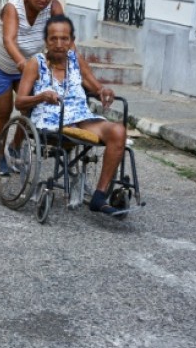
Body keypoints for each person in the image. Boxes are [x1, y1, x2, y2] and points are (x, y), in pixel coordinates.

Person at [16, 15, 126, 216]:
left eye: (65, 39)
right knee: (81, 125)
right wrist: (41, 97)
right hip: (50, 121)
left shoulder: (76, 61)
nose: (59, 44)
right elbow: (20, 101)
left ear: (71, 40)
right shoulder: (36, 63)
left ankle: (99, 195)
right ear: (46, 41)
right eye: (54, 39)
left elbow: (96, 86)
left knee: (118, 130)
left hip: (81, 118)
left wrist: (104, 92)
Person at [0, 0, 66, 175]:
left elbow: (64, 37)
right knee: (3, 111)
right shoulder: (13, 7)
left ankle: (16, 146)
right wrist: (22, 64)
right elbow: (9, 40)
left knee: (30, 106)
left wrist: (70, 65)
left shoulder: (54, 8)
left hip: (28, 64)